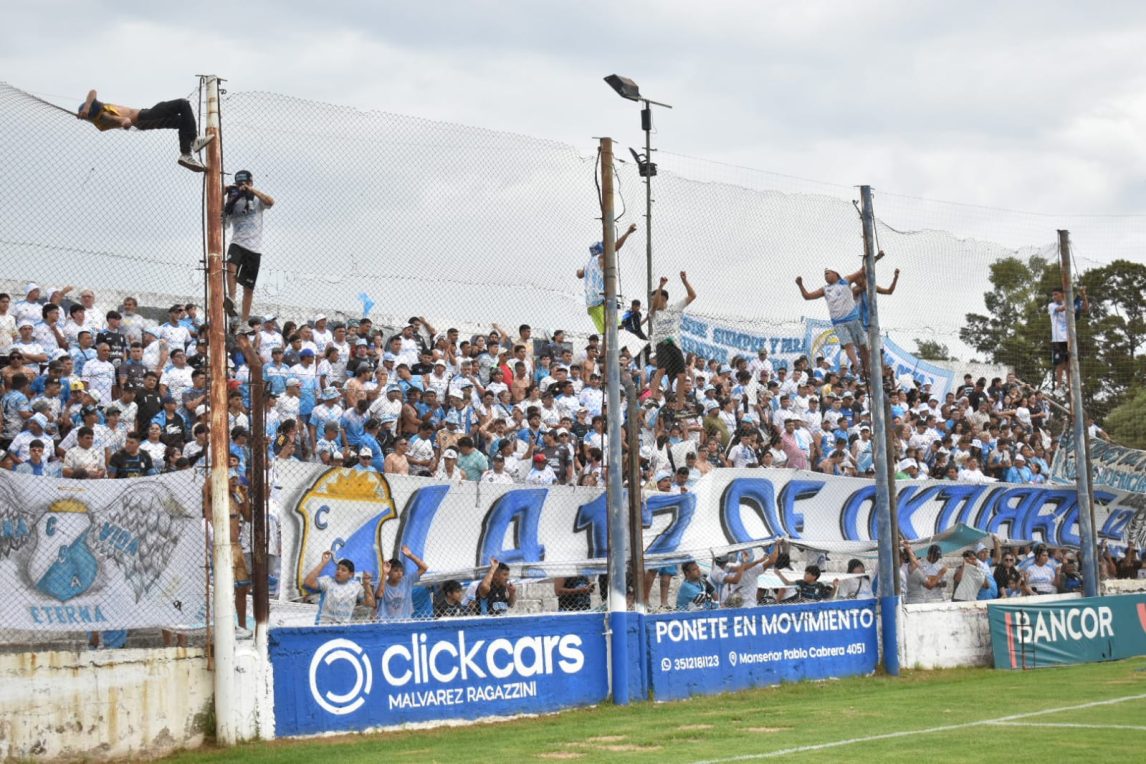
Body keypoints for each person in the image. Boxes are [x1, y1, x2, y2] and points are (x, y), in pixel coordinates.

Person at [76, 89, 212, 172]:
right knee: (183, 104)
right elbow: (118, 120)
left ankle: (186, 155)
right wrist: (124, 121)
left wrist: (86, 108)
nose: (98, 102)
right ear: (94, 110)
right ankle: (194, 141)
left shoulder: (98, 113)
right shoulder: (103, 116)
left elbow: (92, 92)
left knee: (182, 122)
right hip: (143, 117)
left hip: (144, 120)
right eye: (95, 104)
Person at [795, 259, 875, 378]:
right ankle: (857, 366)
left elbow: (862, 270)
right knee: (848, 345)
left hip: (852, 319)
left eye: (828, 273)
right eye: (824, 274)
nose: (825, 276)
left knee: (862, 345)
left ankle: (867, 367)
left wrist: (875, 259)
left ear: (836, 273)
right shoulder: (825, 289)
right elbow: (807, 296)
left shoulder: (845, 281)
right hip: (838, 322)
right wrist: (800, 285)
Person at [224, 170, 276, 325]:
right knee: (230, 267)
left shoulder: (256, 199)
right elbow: (221, 217)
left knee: (248, 288)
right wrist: (224, 192)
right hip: (238, 242)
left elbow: (270, 202)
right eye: (240, 184)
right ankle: (232, 299)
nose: (242, 187)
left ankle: (244, 322)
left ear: (250, 183)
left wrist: (251, 190)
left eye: (245, 183)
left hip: (254, 248)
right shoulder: (233, 201)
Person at [577, 223, 638, 333]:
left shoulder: (588, 264)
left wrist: (579, 271)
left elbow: (579, 274)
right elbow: (615, 247)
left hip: (591, 304)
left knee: (606, 333)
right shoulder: (601, 258)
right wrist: (628, 232)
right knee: (614, 329)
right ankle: (612, 349)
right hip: (602, 300)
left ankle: (607, 350)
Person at [648, 272, 698, 407]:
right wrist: (660, 286)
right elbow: (653, 307)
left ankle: (680, 406)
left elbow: (692, 296)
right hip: (662, 344)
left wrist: (684, 281)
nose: (653, 302)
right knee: (661, 370)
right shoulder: (653, 313)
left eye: (655, 299)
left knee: (682, 376)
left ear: (663, 299)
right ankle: (652, 398)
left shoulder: (674, 309)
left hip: (675, 345)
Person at [303, 551, 374, 625]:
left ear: (351, 575)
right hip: (324, 624)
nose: (339, 571)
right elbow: (308, 582)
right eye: (338, 569)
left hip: (343, 626)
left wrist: (366, 584)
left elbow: (370, 604)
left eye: (343, 570)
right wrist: (323, 563)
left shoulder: (356, 586)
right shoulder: (328, 581)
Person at [375, 545, 429, 621]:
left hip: (404, 621)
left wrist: (410, 555)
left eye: (401, 570)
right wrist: (384, 573)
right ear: (389, 572)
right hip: (385, 622)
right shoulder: (382, 583)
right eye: (396, 570)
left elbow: (424, 568)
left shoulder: (406, 580)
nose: (400, 573)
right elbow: (379, 595)